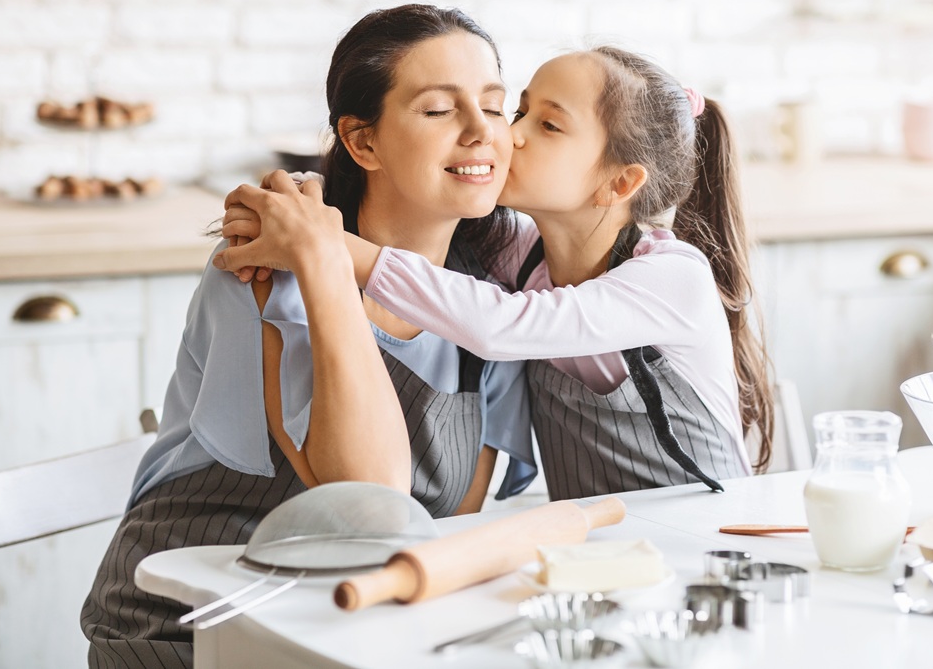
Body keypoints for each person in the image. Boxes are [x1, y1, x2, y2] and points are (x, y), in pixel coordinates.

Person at [81, 4, 535, 669]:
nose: (479, 132)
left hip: (348, 626)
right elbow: (374, 497)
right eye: (439, 111)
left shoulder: (496, 293)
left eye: (495, 107)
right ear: (362, 141)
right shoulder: (263, 269)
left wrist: (325, 245)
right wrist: (322, 260)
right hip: (186, 628)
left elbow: (444, 530)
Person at [218, 45, 774, 503]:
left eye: (550, 125)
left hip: (710, 544)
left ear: (620, 183)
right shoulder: (518, 252)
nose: (510, 135)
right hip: (602, 560)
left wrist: (325, 246)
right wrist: (290, 205)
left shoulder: (673, 278)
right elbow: (424, 232)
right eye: (520, 112)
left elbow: (499, 324)